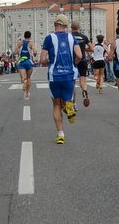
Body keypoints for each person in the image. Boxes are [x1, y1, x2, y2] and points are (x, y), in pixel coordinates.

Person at [40, 14, 82, 145]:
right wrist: (73, 63)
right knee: (66, 99)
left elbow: (42, 60)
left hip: (54, 75)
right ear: (65, 26)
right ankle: (69, 105)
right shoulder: (72, 37)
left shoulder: (48, 38)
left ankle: (60, 134)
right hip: (69, 74)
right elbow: (79, 55)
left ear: (55, 25)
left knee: (56, 105)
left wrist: (49, 62)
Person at [71, 21, 92, 107]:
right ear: (78, 27)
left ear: (71, 27)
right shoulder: (84, 37)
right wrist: (84, 49)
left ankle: (74, 103)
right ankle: (85, 92)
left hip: (73, 61)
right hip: (83, 60)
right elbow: (92, 48)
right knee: (82, 82)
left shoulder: (69, 36)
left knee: (72, 83)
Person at [14, 31, 37, 99]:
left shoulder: (19, 43)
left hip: (21, 62)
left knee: (23, 78)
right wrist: (34, 54)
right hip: (29, 62)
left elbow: (15, 52)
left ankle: (24, 81)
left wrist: (18, 52)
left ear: (24, 36)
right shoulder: (31, 43)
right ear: (30, 37)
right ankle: (27, 93)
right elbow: (35, 52)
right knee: (29, 77)